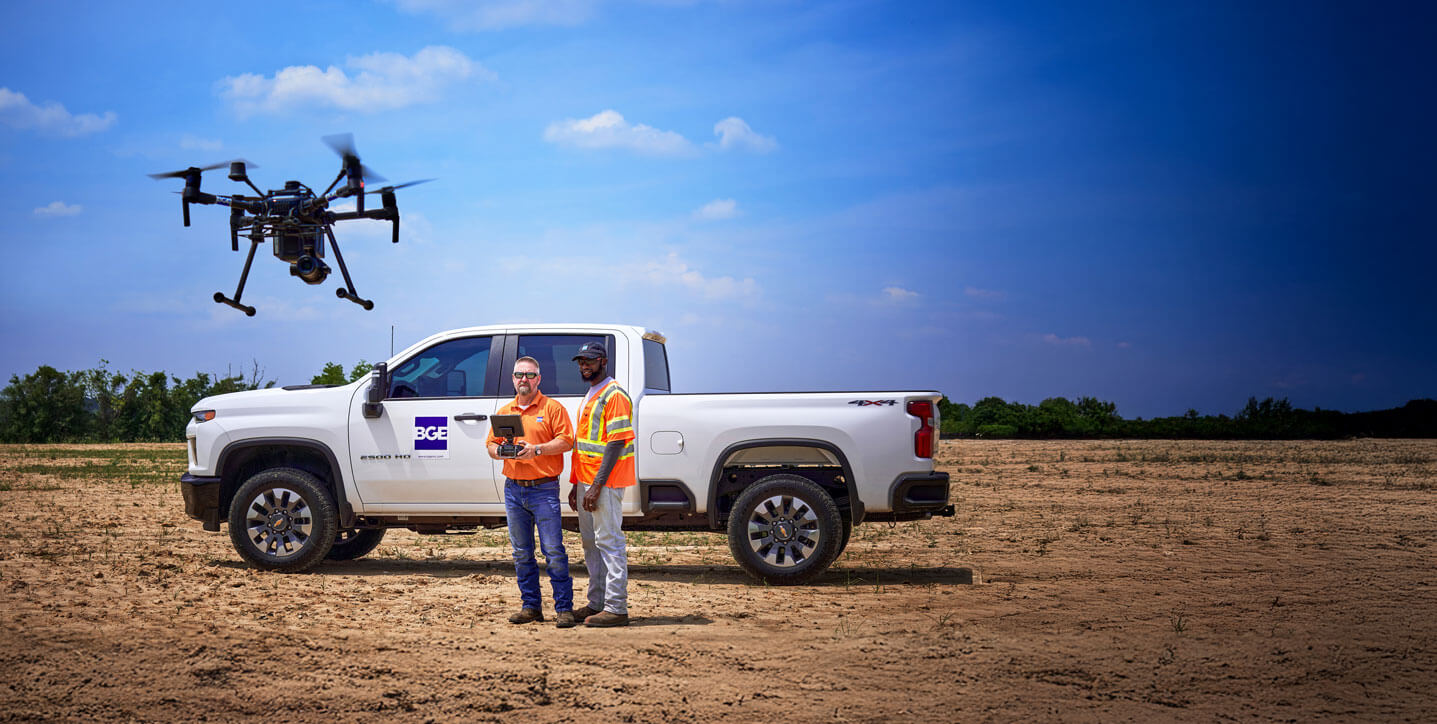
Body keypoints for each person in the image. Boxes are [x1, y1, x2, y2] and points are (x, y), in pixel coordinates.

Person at [486, 356, 578, 628]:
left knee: (553, 551)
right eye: (519, 375)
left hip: (544, 489)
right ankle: (531, 607)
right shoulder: (505, 411)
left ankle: (564, 609)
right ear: (513, 379)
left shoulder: (552, 408)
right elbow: (491, 445)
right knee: (521, 552)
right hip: (514, 489)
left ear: (539, 379)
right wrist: (500, 451)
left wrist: (536, 449)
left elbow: (566, 441)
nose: (523, 379)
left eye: (529, 375)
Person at [567, 341, 636, 627]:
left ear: (603, 362)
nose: (585, 365)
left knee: (609, 541)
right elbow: (583, 444)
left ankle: (616, 607)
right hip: (587, 480)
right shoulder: (592, 393)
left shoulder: (614, 394)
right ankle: (597, 603)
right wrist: (576, 484)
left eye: (590, 361)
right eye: (581, 361)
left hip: (604, 482)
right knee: (591, 544)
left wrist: (596, 486)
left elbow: (617, 441)